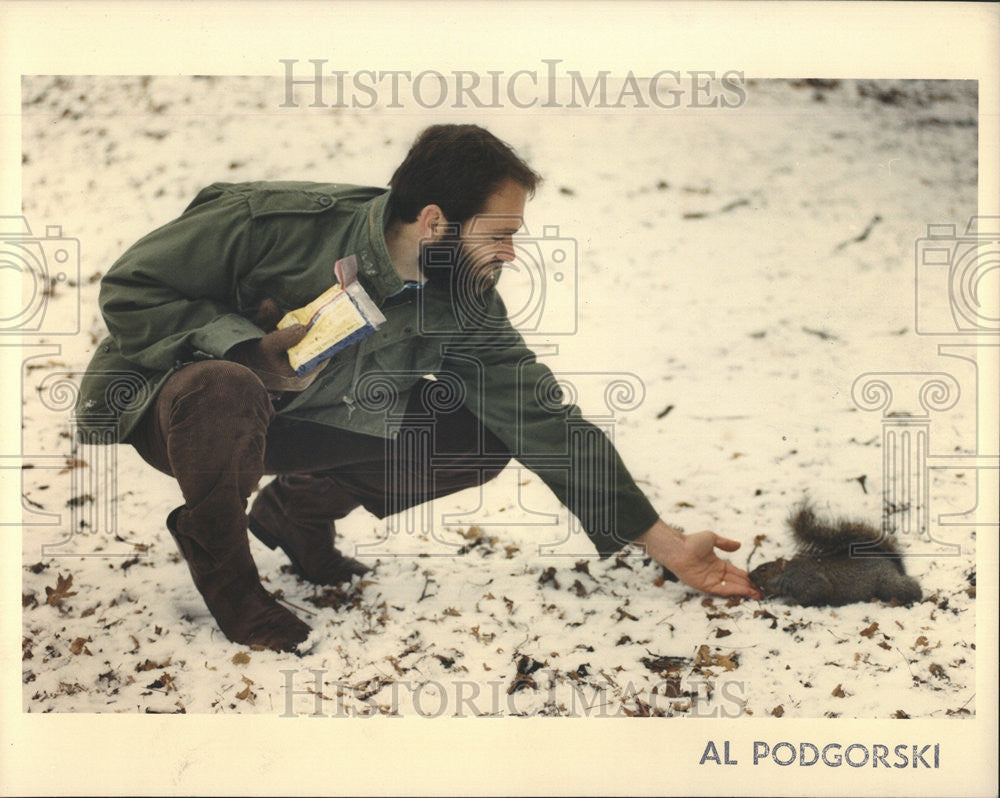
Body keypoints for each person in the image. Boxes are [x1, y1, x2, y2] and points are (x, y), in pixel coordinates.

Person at [76, 124, 760, 652]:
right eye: (499, 234)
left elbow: (541, 418)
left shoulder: (464, 300)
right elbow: (132, 287)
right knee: (226, 385)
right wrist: (243, 347)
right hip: (179, 409)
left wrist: (666, 544)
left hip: (304, 423)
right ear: (434, 221)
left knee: (481, 436)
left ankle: (297, 512)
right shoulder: (274, 223)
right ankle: (228, 577)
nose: (510, 253)